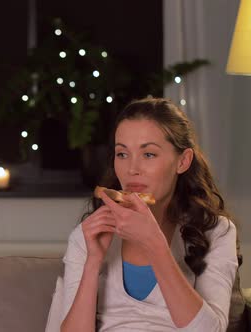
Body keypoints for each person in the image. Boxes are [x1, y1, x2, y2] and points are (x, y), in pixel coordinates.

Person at [59, 98, 239, 331]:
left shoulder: (216, 231)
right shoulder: (89, 235)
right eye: (122, 154)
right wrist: (93, 262)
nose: (132, 169)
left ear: (182, 161)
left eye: (149, 155)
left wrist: (154, 244)